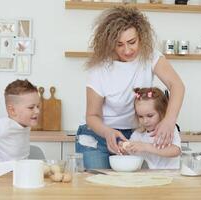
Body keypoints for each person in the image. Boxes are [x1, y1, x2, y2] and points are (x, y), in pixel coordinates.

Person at [76, 6, 185, 169]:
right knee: (99, 191)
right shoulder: (99, 69)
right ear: (109, 43)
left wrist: (169, 121)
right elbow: (92, 116)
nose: (127, 50)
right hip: (99, 136)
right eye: (119, 44)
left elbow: (177, 85)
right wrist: (107, 133)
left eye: (131, 42)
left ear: (141, 36)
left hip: (136, 136)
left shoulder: (150, 56)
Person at [119, 87, 181, 169]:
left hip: (170, 176)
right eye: (140, 116)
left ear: (162, 112)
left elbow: (176, 151)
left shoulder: (168, 130)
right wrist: (125, 150)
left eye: (150, 116)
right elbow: (133, 153)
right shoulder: (138, 134)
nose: (145, 121)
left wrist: (146, 147)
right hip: (149, 178)